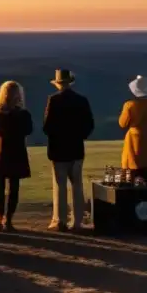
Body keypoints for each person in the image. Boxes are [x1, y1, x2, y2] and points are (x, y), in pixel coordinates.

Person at [43, 69, 95, 232]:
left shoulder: (53, 100)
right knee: (77, 185)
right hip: (76, 148)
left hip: (58, 149)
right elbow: (89, 124)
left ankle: (60, 221)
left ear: (58, 84)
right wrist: (79, 136)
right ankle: (77, 221)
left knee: (60, 185)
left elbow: (47, 126)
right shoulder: (81, 100)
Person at [0, 81, 33, 232]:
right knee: (14, 187)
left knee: (0, 186)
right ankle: (9, 219)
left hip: (1, 150)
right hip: (17, 150)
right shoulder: (23, 113)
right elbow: (29, 130)